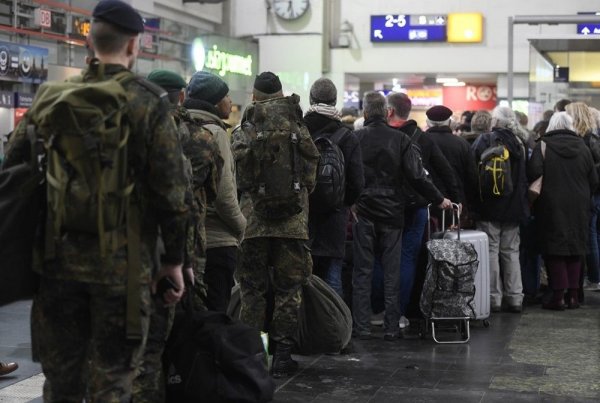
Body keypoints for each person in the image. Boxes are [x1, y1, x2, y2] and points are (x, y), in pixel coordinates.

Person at [2, 1, 188, 401]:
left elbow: (14, 170)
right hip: (123, 270)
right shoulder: (149, 103)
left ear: (89, 41)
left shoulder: (51, 97)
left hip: (56, 265)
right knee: (113, 381)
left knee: (61, 382)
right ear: (134, 45)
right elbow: (172, 193)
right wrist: (173, 261)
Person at [232, 72, 319, 378]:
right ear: (282, 93)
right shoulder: (298, 125)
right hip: (292, 225)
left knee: (252, 290)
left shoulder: (246, 126)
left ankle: (253, 355)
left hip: (252, 223)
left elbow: (237, 177)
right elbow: (310, 177)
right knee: (288, 290)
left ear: (254, 96)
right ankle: (282, 356)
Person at [352, 91, 451, 341]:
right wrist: (439, 198)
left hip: (363, 212)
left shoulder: (355, 138)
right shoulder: (400, 140)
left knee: (362, 271)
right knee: (392, 271)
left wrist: (351, 203)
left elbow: (348, 177)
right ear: (386, 113)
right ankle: (391, 327)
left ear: (365, 113)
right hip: (392, 214)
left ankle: (362, 327)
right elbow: (417, 176)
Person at [384, 92, 458, 329]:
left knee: (381, 258)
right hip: (416, 206)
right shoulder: (422, 139)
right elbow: (446, 172)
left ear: (390, 111)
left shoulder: (381, 135)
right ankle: (401, 312)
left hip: (385, 207)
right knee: (408, 258)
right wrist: (449, 201)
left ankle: (378, 310)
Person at [183, 71, 246, 312]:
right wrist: (243, 228)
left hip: (187, 239)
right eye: (226, 96)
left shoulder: (179, 126)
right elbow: (224, 196)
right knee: (216, 314)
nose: (230, 101)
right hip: (217, 241)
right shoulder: (216, 134)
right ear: (215, 102)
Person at [527, 112, 598, 310]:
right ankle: (573, 296)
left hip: (551, 203)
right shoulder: (583, 148)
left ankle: (558, 296)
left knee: (554, 249)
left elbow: (534, 172)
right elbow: (594, 179)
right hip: (579, 205)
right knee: (576, 249)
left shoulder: (543, 145)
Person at [304, 77, 364, 297]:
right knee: (332, 275)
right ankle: (333, 329)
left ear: (311, 99)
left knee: (301, 277)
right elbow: (358, 182)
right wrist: (343, 203)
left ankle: (304, 328)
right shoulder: (347, 136)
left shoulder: (299, 131)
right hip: (335, 217)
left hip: (303, 216)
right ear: (334, 101)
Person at [471, 106, 529, 313]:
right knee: (511, 251)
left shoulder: (484, 140)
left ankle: (493, 298)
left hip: (489, 206)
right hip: (514, 207)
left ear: (494, 121)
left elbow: (472, 172)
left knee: (491, 252)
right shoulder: (520, 144)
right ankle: (515, 298)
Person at [565, 102, 600, 292]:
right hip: (592, 193)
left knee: (590, 236)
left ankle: (593, 277)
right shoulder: (592, 137)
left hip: (589, 194)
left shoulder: (585, 139)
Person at [425, 105, 477, 218]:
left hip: (426, 204)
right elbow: (471, 177)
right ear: (449, 122)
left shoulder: (419, 142)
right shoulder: (462, 144)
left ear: (427, 122)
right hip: (455, 204)